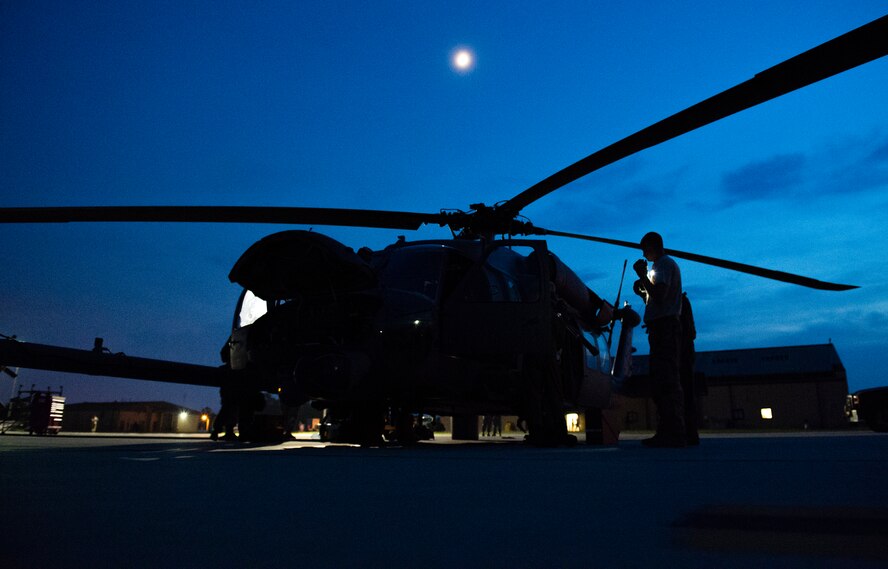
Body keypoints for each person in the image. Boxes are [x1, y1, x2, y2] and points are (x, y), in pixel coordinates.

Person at [632, 232, 686, 448]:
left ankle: (672, 432)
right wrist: (642, 291)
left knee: (666, 380)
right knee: (663, 379)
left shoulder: (664, 265)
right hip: (661, 328)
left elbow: (661, 296)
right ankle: (669, 430)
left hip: (665, 329)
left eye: (645, 248)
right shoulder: (662, 266)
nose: (643, 253)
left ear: (653, 246)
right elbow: (655, 298)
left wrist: (642, 275)